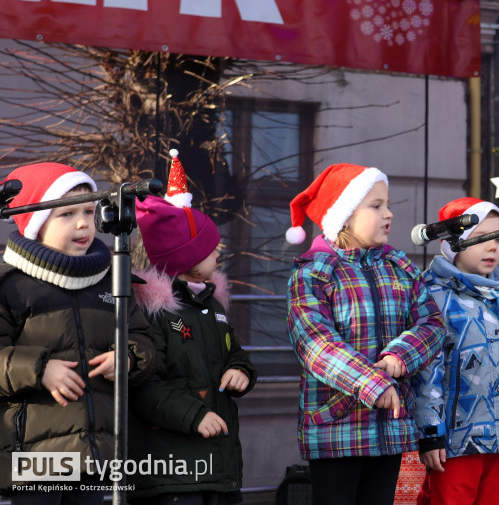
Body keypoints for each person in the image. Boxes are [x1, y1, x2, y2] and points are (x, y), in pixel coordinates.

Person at [285, 163, 445, 505]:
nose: (388, 214)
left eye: (387, 204)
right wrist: (373, 383)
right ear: (343, 216)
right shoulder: (313, 273)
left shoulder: (399, 267)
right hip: (336, 428)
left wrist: (399, 356)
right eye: (375, 206)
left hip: (390, 428)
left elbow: (431, 324)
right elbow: (315, 344)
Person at [0, 162, 156, 503]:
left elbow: (147, 341)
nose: (84, 223)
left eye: (89, 210)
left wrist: (129, 358)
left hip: (100, 451)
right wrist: (40, 370)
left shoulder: (113, 280)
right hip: (33, 455)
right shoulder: (10, 285)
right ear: (36, 224)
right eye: (66, 214)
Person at [127, 150, 257, 504]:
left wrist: (240, 370)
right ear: (185, 258)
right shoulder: (154, 313)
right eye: (210, 248)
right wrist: (194, 415)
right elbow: (143, 387)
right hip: (173, 475)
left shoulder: (211, 305)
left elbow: (232, 352)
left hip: (219, 468)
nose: (219, 253)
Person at [411, 197, 499, 504]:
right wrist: (431, 433)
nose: (493, 247)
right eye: (481, 239)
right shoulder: (434, 295)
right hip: (456, 443)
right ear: (456, 242)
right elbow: (428, 370)